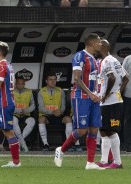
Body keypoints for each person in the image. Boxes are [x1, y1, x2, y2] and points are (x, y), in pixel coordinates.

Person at [54, 33, 103, 170]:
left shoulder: (95, 59)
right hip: (81, 97)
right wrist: (90, 94)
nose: (101, 45)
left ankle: (90, 163)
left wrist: (98, 94)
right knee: (82, 131)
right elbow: (76, 79)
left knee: (94, 129)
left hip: (94, 98)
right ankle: (61, 150)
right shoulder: (80, 56)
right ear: (93, 43)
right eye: (99, 42)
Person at [96, 39, 128, 169]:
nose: (96, 48)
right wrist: (118, 92)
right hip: (111, 102)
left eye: (98, 45)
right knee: (103, 130)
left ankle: (118, 162)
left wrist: (107, 94)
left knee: (111, 131)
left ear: (103, 47)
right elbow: (126, 78)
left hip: (111, 103)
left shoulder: (107, 61)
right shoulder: (114, 60)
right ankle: (104, 161)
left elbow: (112, 77)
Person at [38, 72, 81, 151]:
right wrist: (52, 112)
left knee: (68, 119)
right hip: (47, 115)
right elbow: (41, 108)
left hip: (59, 115)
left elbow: (63, 106)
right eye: (50, 79)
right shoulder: (41, 91)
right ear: (46, 81)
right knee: (41, 119)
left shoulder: (60, 91)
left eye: (54, 79)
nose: (53, 81)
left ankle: (68, 144)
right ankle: (45, 144)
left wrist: (60, 111)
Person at [13, 77, 36, 152]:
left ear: (24, 84)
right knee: (14, 121)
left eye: (22, 84)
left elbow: (33, 105)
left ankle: (19, 142)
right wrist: (17, 110)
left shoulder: (29, 92)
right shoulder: (11, 91)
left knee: (32, 121)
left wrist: (26, 110)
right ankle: (23, 144)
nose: (20, 85)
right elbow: (8, 104)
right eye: (18, 83)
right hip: (15, 113)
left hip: (25, 113)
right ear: (15, 84)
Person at [122, 55, 131, 152]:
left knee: (128, 120)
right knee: (127, 120)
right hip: (128, 93)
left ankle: (128, 145)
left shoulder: (128, 58)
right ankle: (128, 144)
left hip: (128, 93)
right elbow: (122, 75)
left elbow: (122, 76)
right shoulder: (128, 58)